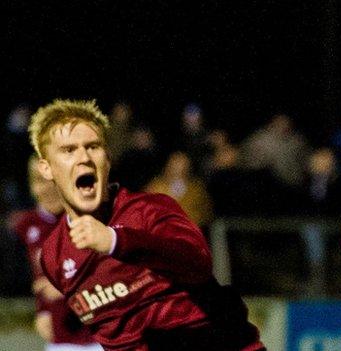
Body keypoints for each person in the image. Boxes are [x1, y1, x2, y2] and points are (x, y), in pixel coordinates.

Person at [28, 99, 264, 351]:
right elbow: (116, 339)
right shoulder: (54, 255)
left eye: (93, 146)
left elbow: (198, 263)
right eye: (68, 150)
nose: (84, 157)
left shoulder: (150, 211)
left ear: (107, 159)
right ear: (46, 168)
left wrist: (117, 241)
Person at [13, 156, 101, 351]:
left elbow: (111, 274)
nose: (48, 187)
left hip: (98, 335)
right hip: (60, 337)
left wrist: (66, 288)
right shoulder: (27, 226)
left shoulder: (89, 219)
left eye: (54, 180)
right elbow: (38, 279)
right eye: (39, 180)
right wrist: (42, 310)